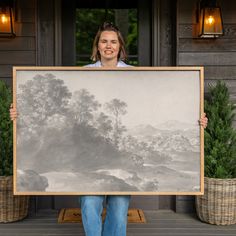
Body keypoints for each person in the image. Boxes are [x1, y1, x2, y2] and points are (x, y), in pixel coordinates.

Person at [10, 22, 208, 236]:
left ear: (120, 47)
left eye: (113, 42)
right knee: (89, 202)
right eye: (104, 41)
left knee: (120, 205)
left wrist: (196, 121)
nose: (108, 46)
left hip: (117, 154)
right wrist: (20, 114)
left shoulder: (134, 74)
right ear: (97, 46)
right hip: (87, 157)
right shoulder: (82, 75)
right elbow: (62, 113)